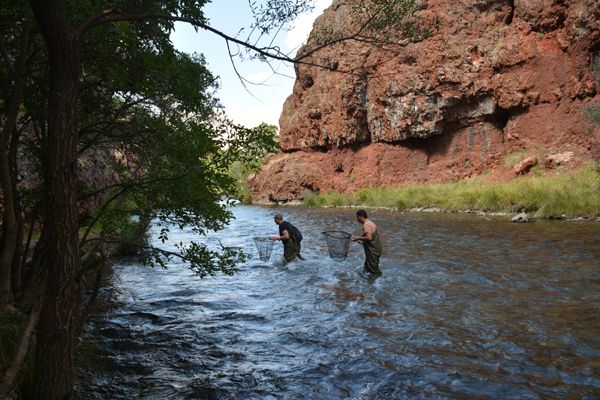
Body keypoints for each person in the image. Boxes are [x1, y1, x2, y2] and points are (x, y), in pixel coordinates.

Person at [351, 209, 382, 276]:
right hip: (376, 249)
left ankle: (376, 283)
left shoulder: (366, 226)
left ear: (361, 216)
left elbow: (369, 237)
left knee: (375, 271)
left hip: (373, 252)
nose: (357, 219)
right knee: (367, 267)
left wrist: (358, 237)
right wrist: (359, 241)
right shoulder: (371, 222)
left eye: (357, 217)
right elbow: (372, 239)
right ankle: (366, 283)